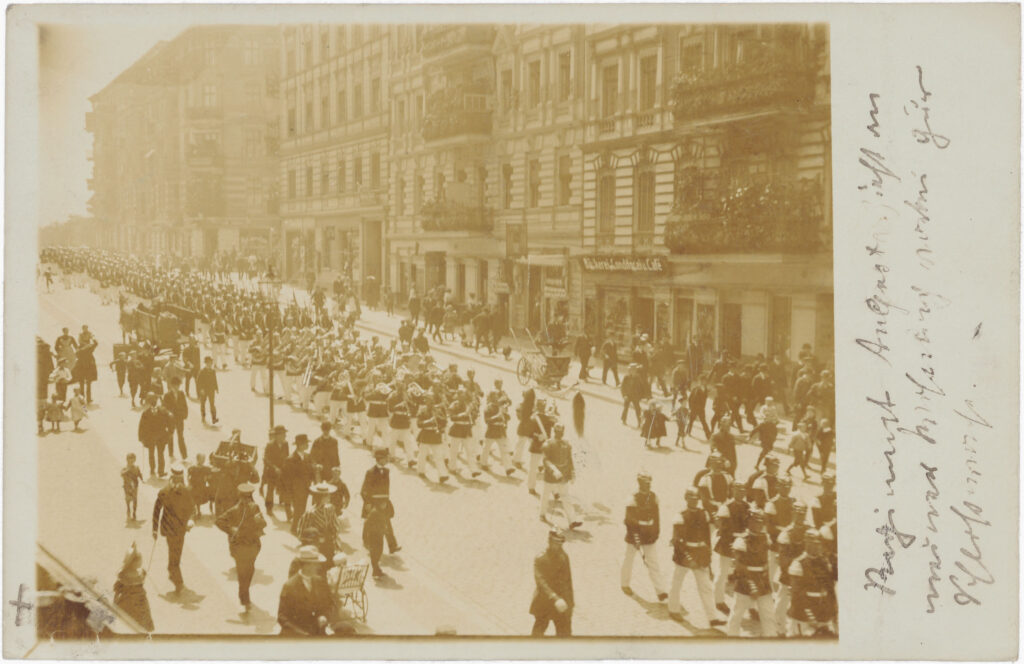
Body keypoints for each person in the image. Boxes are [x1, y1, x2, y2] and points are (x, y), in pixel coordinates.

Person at [667, 488, 723, 627]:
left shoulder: (704, 514)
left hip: (700, 555)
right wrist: (688, 558)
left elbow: (712, 530)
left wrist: (715, 514)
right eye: (691, 498)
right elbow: (677, 540)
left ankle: (712, 618)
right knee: (677, 582)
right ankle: (673, 609)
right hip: (684, 554)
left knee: (706, 587)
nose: (694, 500)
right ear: (686, 499)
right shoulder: (680, 516)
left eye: (696, 498)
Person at [215, 482, 267, 610]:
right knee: (242, 572)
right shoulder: (233, 511)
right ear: (240, 497)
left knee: (250, 571)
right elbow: (219, 521)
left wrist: (259, 521)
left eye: (248, 498)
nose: (247, 501)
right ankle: (244, 596)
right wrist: (231, 530)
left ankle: (244, 592)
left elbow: (263, 523)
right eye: (245, 498)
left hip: (253, 545)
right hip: (239, 546)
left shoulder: (255, 508)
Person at [726, 511, 777, 637]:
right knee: (736, 614)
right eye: (755, 522)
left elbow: (767, 562)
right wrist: (752, 586)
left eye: (761, 522)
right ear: (748, 522)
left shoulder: (766, 538)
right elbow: (739, 567)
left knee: (769, 615)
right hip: (745, 581)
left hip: (763, 582)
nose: (759, 525)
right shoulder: (741, 540)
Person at [620, 472, 667, 601]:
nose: (648, 486)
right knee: (628, 560)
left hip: (649, 535)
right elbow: (629, 520)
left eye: (649, 483)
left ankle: (660, 591)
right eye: (645, 483)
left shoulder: (653, 497)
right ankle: (624, 583)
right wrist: (636, 537)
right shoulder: (632, 498)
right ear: (639, 483)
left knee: (653, 563)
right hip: (635, 534)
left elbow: (656, 518)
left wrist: (656, 533)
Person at [152, 463, 196, 594]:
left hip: (180, 530)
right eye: (177, 479)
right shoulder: (165, 492)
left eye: (179, 479)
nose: (178, 482)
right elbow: (157, 510)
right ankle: (178, 582)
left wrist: (190, 520)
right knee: (174, 558)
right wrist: (154, 529)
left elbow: (191, 508)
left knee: (175, 558)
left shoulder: (185, 492)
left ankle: (175, 577)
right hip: (171, 531)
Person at [786, 529, 837, 637]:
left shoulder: (824, 562)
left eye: (819, 544)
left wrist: (833, 611)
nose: (818, 547)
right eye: (814, 544)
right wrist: (810, 617)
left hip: (822, 613)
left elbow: (830, 589)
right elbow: (797, 595)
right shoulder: (798, 563)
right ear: (806, 543)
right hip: (803, 616)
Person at [277, 546, 332, 636]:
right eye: (316, 564)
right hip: (297, 633)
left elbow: (328, 604)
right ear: (306, 565)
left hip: (317, 630)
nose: (318, 567)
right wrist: (302, 634)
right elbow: (282, 617)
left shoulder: (320, 581)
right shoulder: (290, 586)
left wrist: (324, 616)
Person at [529, 528, 573, 636]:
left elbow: (568, 581)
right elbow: (541, 582)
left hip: (562, 602)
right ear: (549, 541)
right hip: (544, 601)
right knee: (538, 633)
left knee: (565, 635)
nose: (559, 546)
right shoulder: (540, 558)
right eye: (556, 543)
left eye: (561, 543)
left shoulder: (564, 556)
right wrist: (555, 598)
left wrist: (570, 603)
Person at [360, 447, 400, 554]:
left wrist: (386, 501)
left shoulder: (386, 471)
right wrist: (367, 503)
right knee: (369, 523)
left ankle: (392, 546)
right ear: (380, 459)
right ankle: (366, 541)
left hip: (384, 502)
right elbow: (364, 490)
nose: (387, 460)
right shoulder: (370, 472)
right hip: (372, 502)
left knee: (387, 523)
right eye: (386, 458)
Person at [540, 424, 580, 529]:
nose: (559, 434)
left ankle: (572, 520)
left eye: (561, 432)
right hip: (551, 475)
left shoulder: (566, 444)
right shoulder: (548, 443)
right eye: (558, 432)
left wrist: (572, 473)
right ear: (554, 431)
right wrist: (554, 470)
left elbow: (569, 460)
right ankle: (542, 514)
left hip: (563, 475)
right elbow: (545, 460)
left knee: (566, 497)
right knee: (546, 495)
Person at [113, 542, 153, 633]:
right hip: (138, 603)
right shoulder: (137, 575)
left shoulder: (123, 574)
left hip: (125, 602)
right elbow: (140, 580)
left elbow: (117, 592)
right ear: (134, 563)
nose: (141, 562)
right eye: (140, 560)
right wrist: (144, 574)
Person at [285, 434, 316, 534]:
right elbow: (288, 478)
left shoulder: (308, 456)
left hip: (306, 487)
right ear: (300, 445)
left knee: (302, 509)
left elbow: (311, 471)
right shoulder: (291, 459)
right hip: (296, 489)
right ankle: (295, 529)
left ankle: (298, 528)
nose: (307, 445)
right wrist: (289, 493)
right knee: (298, 509)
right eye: (305, 443)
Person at [138, 394, 171, 477]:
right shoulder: (145, 413)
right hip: (150, 436)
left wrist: (170, 432)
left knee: (161, 454)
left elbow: (169, 421)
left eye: (154, 400)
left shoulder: (163, 411)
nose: (153, 402)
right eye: (151, 400)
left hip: (161, 436)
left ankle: (161, 471)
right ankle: (152, 469)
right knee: (151, 453)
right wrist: (141, 437)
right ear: (149, 402)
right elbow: (141, 425)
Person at [262, 425, 290, 518]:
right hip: (272, 472)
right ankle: (269, 509)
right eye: (283, 434)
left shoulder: (286, 444)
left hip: (282, 472)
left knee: (286, 491)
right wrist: (275, 468)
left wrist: (285, 468)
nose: (285, 436)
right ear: (277, 435)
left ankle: (288, 512)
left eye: (284, 434)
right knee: (270, 491)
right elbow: (266, 459)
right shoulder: (270, 445)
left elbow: (287, 456)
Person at [162, 376, 189, 460]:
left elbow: (185, 405)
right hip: (171, 419)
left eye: (178, 385)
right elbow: (164, 407)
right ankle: (171, 453)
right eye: (176, 385)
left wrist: (185, 415)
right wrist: (168, 414)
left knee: (181, 436)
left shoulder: (181, 393)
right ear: (172, 385)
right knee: (171, 436)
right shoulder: (167, 395)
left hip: (180, 418)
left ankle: (184, 455)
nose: (177, 387)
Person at [120, 453, 143, 521]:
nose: (131, 461)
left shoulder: (136, 467)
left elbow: (139, 474)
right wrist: (128, 470)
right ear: (127, 460)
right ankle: (128, 510)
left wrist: (142, 478)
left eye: (133, 459)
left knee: (135, 499)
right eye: (130, 459)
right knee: (127, 499)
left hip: (135, 486)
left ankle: (134, 513)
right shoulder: (124, 468)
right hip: (127, 486)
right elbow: (121, 474)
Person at [197, 356, 219, 425]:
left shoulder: (213, 371)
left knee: (212, 404)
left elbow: (215, 380)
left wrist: (216, 388)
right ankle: (203, 416)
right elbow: (198, 381)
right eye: (208, 363)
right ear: (206, 363)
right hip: (204, 390)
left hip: (211, 390)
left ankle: (214, 418)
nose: (210, 364)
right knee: (203, 404)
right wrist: (200, 390)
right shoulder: (202, 371)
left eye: (211, 363)